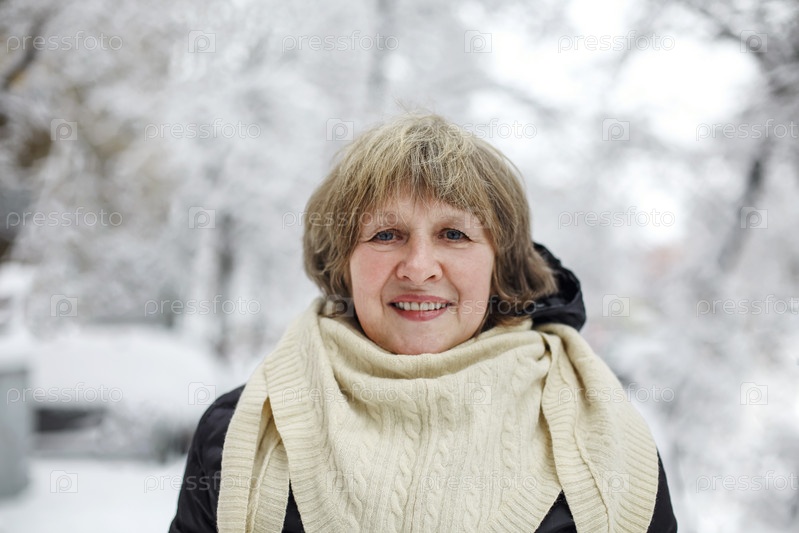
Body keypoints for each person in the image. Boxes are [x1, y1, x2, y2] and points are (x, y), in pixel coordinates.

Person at [169, 113, 677, 532]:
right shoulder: (238, 430)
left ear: (500, 265)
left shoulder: (602, 434)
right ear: (342, 263)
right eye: (386, 234)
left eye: (454, 234)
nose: (418, 267)